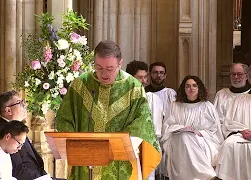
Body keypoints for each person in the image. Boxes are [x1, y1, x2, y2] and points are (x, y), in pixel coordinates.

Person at [56, 40, 160, 180]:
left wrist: (120, 143)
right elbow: (65, 117)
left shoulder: (133, 87)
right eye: (99, 67)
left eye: (109, 68)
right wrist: (74, 143)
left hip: (118, 163)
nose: (104, 74)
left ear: (120, 63)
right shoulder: (80, 85)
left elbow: (142, 122)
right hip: (86, 160)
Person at [161, 75, 223, 180]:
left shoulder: (207, 106)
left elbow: (215, 130)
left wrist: (199, 133)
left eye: (194, 86)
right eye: (188, 86)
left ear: (199, 88)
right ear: (183, 89)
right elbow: (167, 127)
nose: (191, 88)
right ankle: (209, 175)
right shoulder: (174, 106)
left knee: (188, 138)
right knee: (185, 136)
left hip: (202, 140)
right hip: (176, 140)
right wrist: (182, 128)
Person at [0, 90, 48, 180]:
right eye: (19, 103)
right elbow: (17, 170)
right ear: (8, 110)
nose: (24, 106)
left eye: (23, 102)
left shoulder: (16, 127)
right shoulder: (3, 132)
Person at [126, 60, 164, 180]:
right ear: (130, 78)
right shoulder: (122, 98)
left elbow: (156, 128)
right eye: (140, 77)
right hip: (126, 142)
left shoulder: (153, 98)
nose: (144, 81)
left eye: (145, 77)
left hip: (147, 143)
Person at [215, 66, 251, 180]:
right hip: (227, 133)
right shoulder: (221, 94)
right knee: (229, 145)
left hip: (241, 133)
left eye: (239, 74)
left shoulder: (247, 97)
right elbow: (216, 120)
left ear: (246, 75)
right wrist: (236, 131)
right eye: (233, 74)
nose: (236, 77)